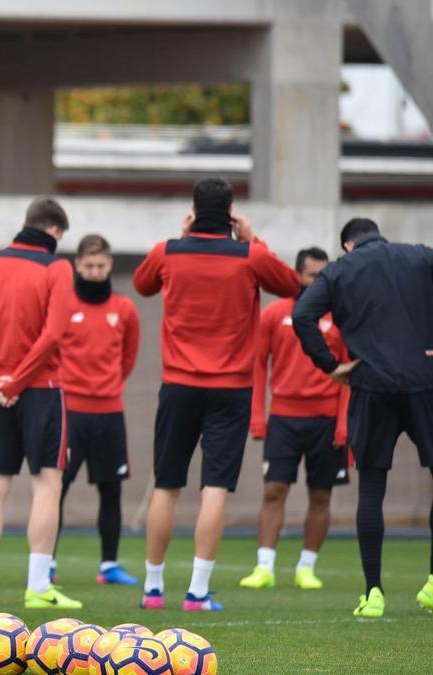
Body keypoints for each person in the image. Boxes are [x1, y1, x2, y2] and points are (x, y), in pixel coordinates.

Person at [132, 177, 299, 612]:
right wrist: (253, 236)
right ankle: (197, 592)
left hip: (178, 386)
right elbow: (292, 286)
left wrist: (182, 235)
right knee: (215, 488)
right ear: (230, 212)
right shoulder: (250, 256)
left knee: (166, 486)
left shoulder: (168, 250)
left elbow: (142, 285)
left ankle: (153, 589)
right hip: (230, 390)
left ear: (192, 208)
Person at [293, 217, 433, 619]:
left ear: (347, 245)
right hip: (425, 383)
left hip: (370, 384)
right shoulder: (419, 257)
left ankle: (373, 593)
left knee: (372, 489)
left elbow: (303, 315)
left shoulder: (339, 270)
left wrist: (330, 365)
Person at [0, 198, 81, 611]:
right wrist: (17, 381)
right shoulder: (57, 267)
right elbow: (53, 334)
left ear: (26, 223)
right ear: (56, 232)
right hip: (41, 388)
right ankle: (38, 587)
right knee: (47, 485)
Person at [240, 247, 349, 592]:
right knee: (274, 490)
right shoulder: (275, 314)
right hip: (284, 418)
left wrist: (344, 423)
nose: (319, 282)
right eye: (312, 276)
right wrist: (258, 416)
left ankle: (306, 567)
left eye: (324, 276)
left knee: (321, 495)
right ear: (298, 276)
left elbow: (351, 374)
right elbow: (257, 366)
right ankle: (264, 567)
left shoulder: (341, 317)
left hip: (327, 420)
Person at [55, 233, 141, 587]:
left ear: (109, 265)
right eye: (88, 266)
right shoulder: (63, 305)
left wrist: (107, 385)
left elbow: (128, 356)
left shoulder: (124, 309)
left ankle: (109, 565)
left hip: (108, 411)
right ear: (77, 265)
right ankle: (46, 564)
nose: (94, 272)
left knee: (111, 488)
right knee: (56, 487)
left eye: (100, 265)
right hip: (69, 411)